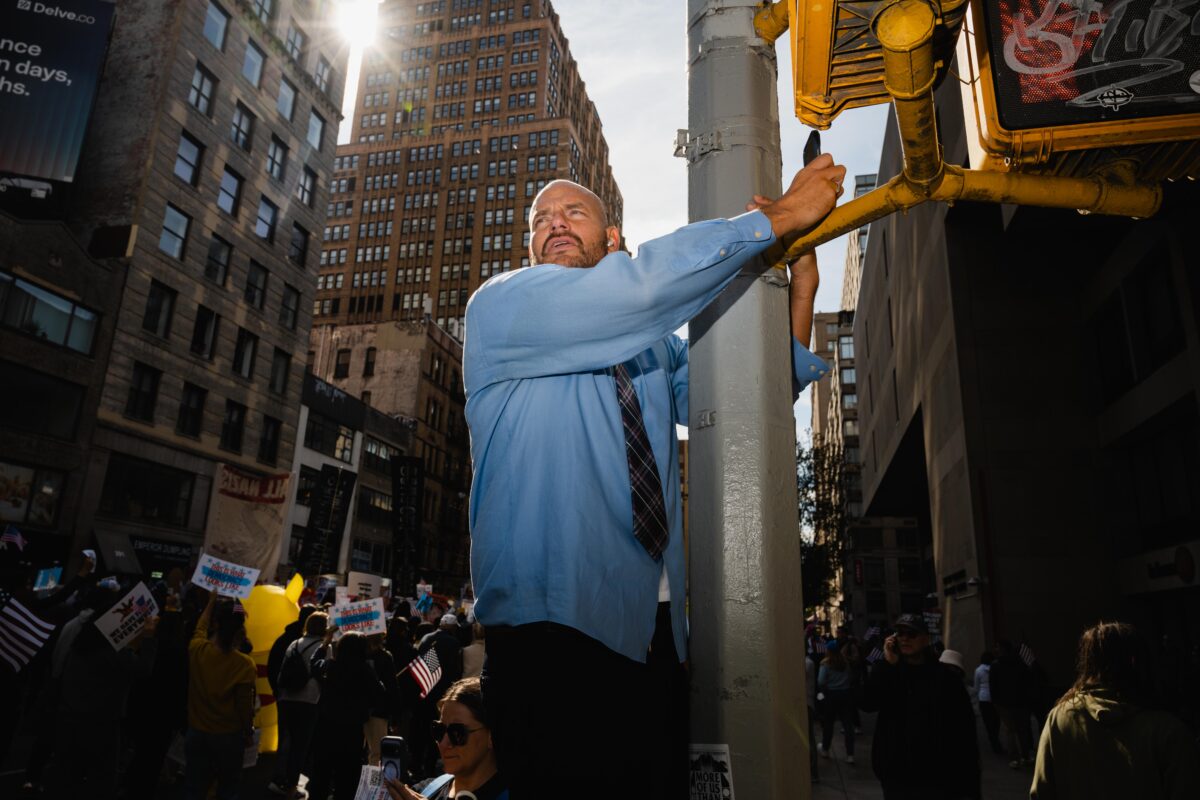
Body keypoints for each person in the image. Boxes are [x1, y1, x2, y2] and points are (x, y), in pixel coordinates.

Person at [465, 156, 844, 795]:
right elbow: (639, 290)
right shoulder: (503, 309)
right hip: (549, 634)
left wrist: (800, 290)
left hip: (654, 633)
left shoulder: (654, 348)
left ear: (613, 238)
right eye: (539, 220)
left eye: (572, 212)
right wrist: (777, 218)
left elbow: (754, 395)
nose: (552, 224)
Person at [1030, 621, 1200, 799]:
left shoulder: (1060, 717)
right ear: (1137, 661)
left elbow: (1041, 792)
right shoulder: (1168, 732)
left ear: (1088, 663)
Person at [859, 614, 980, 799]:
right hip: (897, 777)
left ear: (926, 639)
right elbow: (867, 703)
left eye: (912, 634)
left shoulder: (945, 679)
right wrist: (887, 665)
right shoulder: (889, 671)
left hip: (937, 778)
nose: (905, 638)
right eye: (900, 634)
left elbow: (965, 732)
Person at [184, 592, 257, 800]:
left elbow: (200, 626)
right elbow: (244, 706)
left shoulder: (197, 648)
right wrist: (248, 732)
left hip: (196, 732)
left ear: (216, 624)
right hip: (229, 737)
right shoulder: (244, 664)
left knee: (193, 787)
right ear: (240, 630)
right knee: (227, 789)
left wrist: (211, 601)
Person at [385, 677, 506, 800]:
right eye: (439, 730)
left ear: (492, 736)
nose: (443, 743)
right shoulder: (425, 790)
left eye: (457, 733)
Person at [307, 630, 385, 799]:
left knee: (321, 774)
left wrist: (324, 643)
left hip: (325, 727)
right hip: (352, 731)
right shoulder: (365, 670)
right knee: (347, 778)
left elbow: (313, 665)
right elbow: (379, 695)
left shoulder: (330, 666)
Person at [269, 610, 328, 797]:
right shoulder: (324, 648)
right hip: (309, 700)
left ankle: (278, 779)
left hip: (286, 698)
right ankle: (292, 786)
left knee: (285, 741)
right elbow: (324, 675)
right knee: (300, 745)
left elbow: (281, 673)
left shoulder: (294, 644)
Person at [990, 639, 1034, 768]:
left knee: (1010, 731)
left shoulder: (995, 665)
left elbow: (993, 686)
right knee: (1022, 730)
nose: (996, 649)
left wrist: (995, 702)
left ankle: (1015, 759)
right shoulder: (1020, 663)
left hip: (1004, 703)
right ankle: (1025, 756)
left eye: (997, 647)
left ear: (1002, 649)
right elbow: (1027, 682)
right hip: (1020, 702)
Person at [817, 640, 857, 764]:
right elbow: (850, 677)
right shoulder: (845, 662)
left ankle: (825, 748)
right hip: (845, 694)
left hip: (831, 695)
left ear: (828, 651)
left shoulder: (826, 664)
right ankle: (850, 754)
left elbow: (821, 681)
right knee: (848, 725)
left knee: (829, 723)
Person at [973, 650, 1004, 755]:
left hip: (983, 698)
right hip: (995, 698)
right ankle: (996, 741)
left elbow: (976, 686)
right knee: (996, 721)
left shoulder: (978, 670)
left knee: (988, 723)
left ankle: (994, 742)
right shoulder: (996, 668)